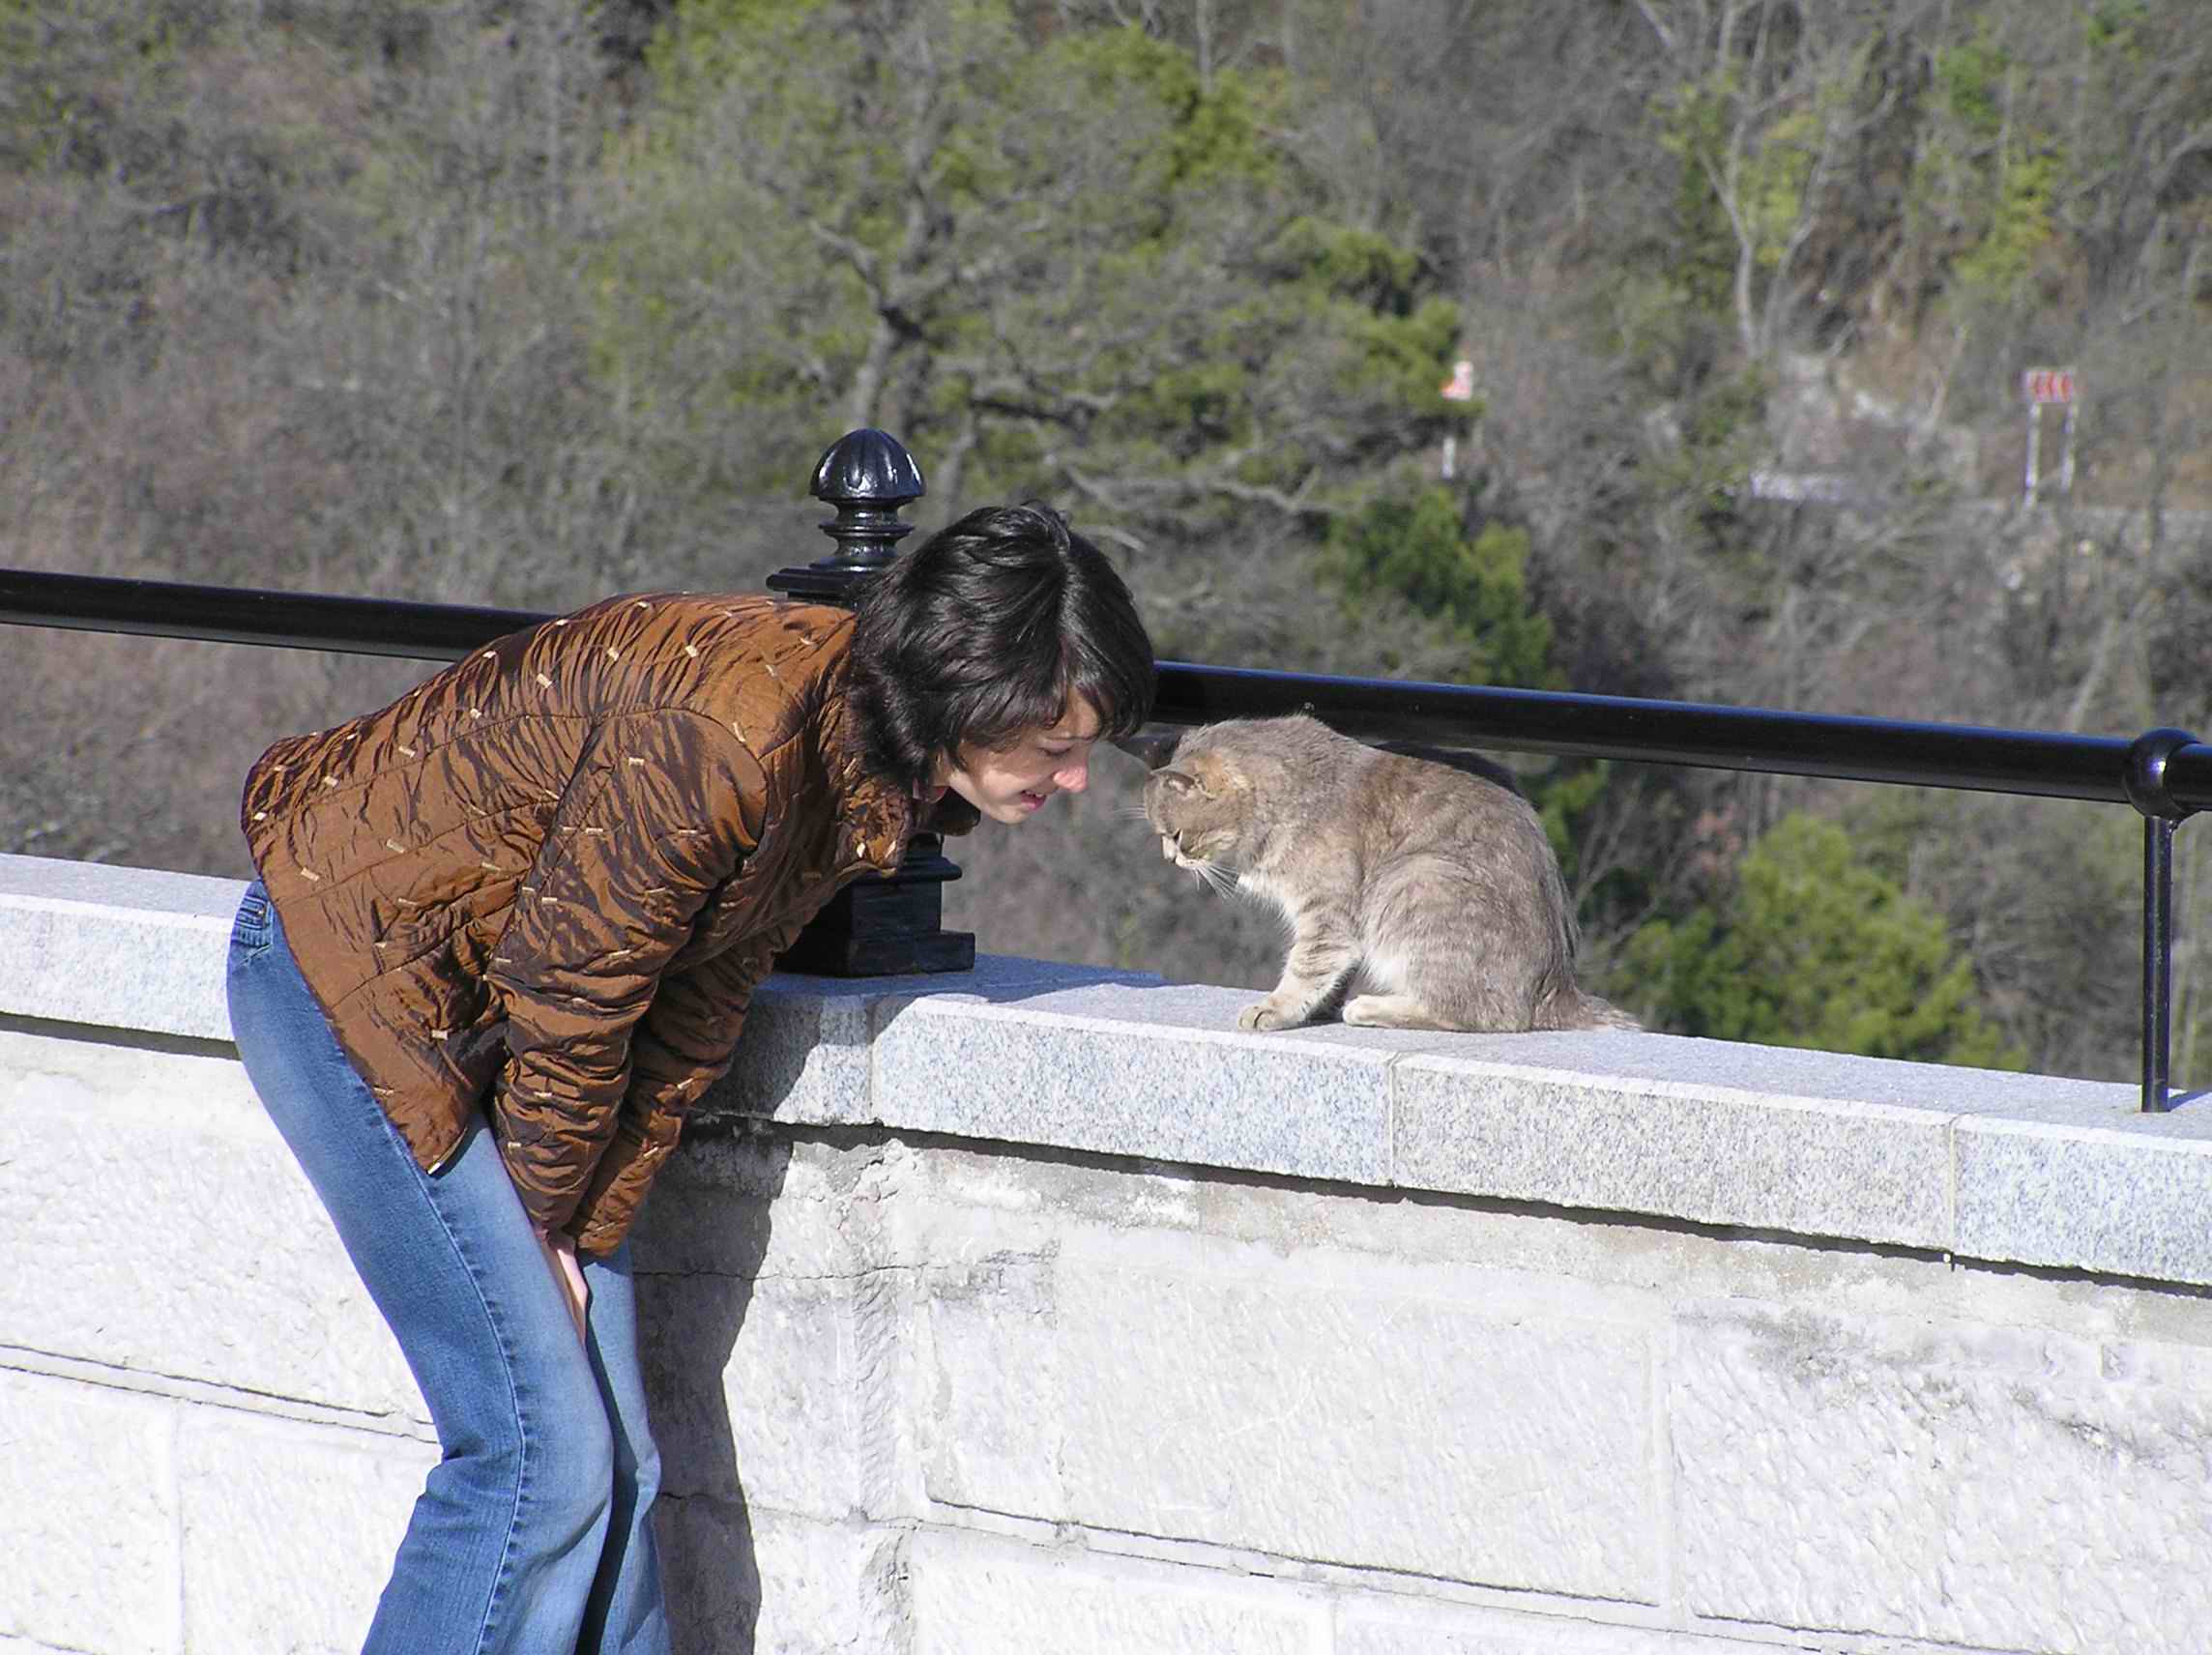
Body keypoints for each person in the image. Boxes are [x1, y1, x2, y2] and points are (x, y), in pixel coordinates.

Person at [224, 503, 1155, 1654]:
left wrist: (580, 1214)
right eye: (1054, 743)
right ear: (964, 690)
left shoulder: (861, 753)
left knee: (622, 1452)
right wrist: (545, 1224)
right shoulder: (734, 734)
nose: (1071, 779)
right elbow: (572, 991)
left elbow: (695, 1002)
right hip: (355, 970)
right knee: (536, 1455)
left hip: (503, 1015)